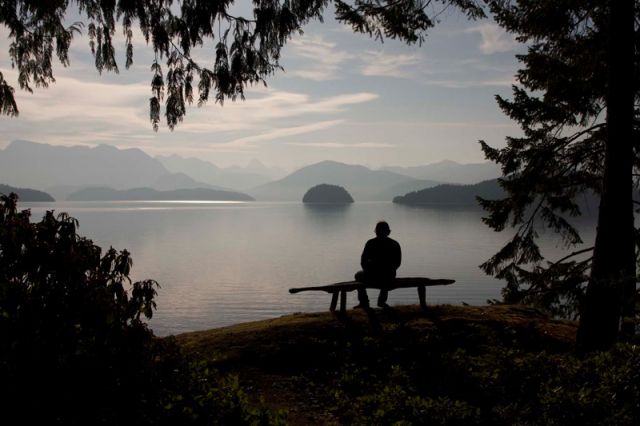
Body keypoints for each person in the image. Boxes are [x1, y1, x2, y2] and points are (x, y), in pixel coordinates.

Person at [354, 221, 402, 309]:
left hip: (372, 275)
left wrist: (368, 271)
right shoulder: (395, 244)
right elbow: (397, 263)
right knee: (387, 275)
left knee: (358, 275)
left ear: (376, 231)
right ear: (388, 232)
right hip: (389, 275)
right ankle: (382, 301)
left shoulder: (370, 243)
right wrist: (389, 270)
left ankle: (364, 302)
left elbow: (363, 261)